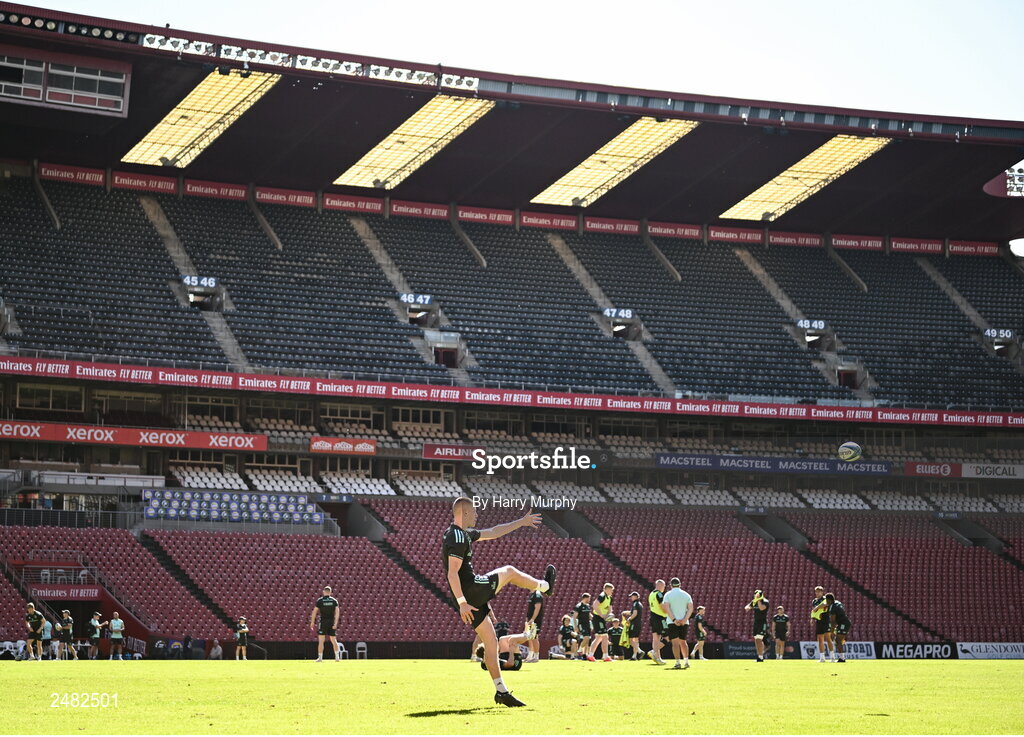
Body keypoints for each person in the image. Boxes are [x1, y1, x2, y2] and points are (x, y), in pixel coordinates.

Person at [442, 497, 556, 708]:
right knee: (509, 571)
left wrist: (520, 522)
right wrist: (463, 603)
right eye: (474, 512)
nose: (477, 515)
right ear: (465, 513)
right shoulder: (457, 536)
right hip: (471, 591)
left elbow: (494, 531)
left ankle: (501, 691)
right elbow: (452, 573)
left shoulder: (460, 534)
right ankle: (545, 587)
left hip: (472, 595)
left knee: (491, 643)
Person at [473, 621, 537, 671]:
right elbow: (510, 664)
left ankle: (525, 634)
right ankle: (529, 636)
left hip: (505, 657)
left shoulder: (486, 661)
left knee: (502, 639)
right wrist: (511, 650)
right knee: (512, 640)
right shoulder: (493, 663)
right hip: (515, 663)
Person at [661, 577, 693, 669]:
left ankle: (678, 662)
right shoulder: (686, 594)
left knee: (675, 643)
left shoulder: (668, 594)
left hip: (672, 622)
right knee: (683, 642)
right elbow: (690, 608)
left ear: (671, 585)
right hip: (684, 621)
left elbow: (667, 608)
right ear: (680, 584)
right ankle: (686, 661)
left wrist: (674, 620)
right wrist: (684, 619)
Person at [310, 585, 340, 662]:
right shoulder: (334, 601)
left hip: (323, 622)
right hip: (331, 621)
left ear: (324, 592)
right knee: (333, 640)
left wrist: (312, 622)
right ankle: (337, 657)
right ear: (330, 593)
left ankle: (320, 658)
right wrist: (335, 623)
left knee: (321, 640)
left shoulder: (320, 601)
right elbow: (337, 613)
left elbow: (314, 612)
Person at [587, 583, 614, 661]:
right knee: (605, 636)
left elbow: (610, 609)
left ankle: (591, 655)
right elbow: (595, 605)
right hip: (597, 618)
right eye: (611, 590)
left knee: (599, 638)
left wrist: (608, 615)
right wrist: (601, 614)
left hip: (601, 619)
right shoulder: (602, 596)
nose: (612, 591)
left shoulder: (610, 598)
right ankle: (605, 656)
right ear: (606, 589)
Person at [744, 589, 769, 663]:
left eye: (757, 594)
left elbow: (761, 608)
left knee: (759, 639)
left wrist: (758, 600)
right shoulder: (754, 601)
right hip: (756, 623)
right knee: (756, 639)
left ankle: (761, 656)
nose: (755, 595)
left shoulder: (765, 602)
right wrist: (748, 606)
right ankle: (759, 656)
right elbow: (747, 607)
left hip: (762, 623)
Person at [825, 593, 852, 663]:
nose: (826, 602)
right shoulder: (837, 602)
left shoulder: (832, 607)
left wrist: (832, 631)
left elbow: (833, 621)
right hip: (842, 623)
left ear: (829, 600)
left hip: (843, 624)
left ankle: (842, 658)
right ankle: (841, 657)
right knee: (838, 641)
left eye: (826, 600)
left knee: (838, 640)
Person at [647, 579, 668, 665]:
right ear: (660, 585)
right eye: (664, 586)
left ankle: (658, 658)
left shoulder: (651, 593)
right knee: (667, 638)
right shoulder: (659, 594)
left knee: (656, 639)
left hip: (653, 616)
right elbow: (662, 606)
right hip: (660, 618)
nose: (664, 588)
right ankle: (654, 652)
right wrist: (669, 612)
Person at [810, 585, 833, 663]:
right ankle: (822, 657)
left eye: (819, 591)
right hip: (819, 620)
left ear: (822, 592)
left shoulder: (825, 599)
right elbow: (814, 611)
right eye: (816, 591)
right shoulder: (814, 601)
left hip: (826, 619)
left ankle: (832, 657)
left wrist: (817, 607)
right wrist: (812, 618)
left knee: (828, 638)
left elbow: (825, 605)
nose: (817, 593)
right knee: (820, 639)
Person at [525, 588, 544, 664]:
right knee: (530, 637)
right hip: (530, 619)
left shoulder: (537, 595)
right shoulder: (532, 595)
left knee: (534, 637)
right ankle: (530, 656)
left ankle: (536, 656)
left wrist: (533, 619)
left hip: (535, 620)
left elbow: (537, 608)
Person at [573, 593, 592, 660]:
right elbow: (574, 617)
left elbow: (589, 615)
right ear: (585, 598)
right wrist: (575, 626)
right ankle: (579, 650)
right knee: (586, 637)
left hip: (587, 624)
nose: (589, 600)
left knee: (588, 639)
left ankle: (584, 654)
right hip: (582, 624)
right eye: (589, 598)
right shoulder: (579, 606)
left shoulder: (588, 606)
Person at [626, 591, 643, 660]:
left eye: (632, 596)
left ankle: (639, 651)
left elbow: (635, 613)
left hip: (634, 623)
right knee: (636, 640)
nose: (631, 598)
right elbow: (633, 612)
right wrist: (627, 613)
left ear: (635, 597)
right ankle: (634, 656)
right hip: (638, 623)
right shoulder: (639, 604)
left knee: (630, 640)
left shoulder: (635, 604)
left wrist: (629, 619)